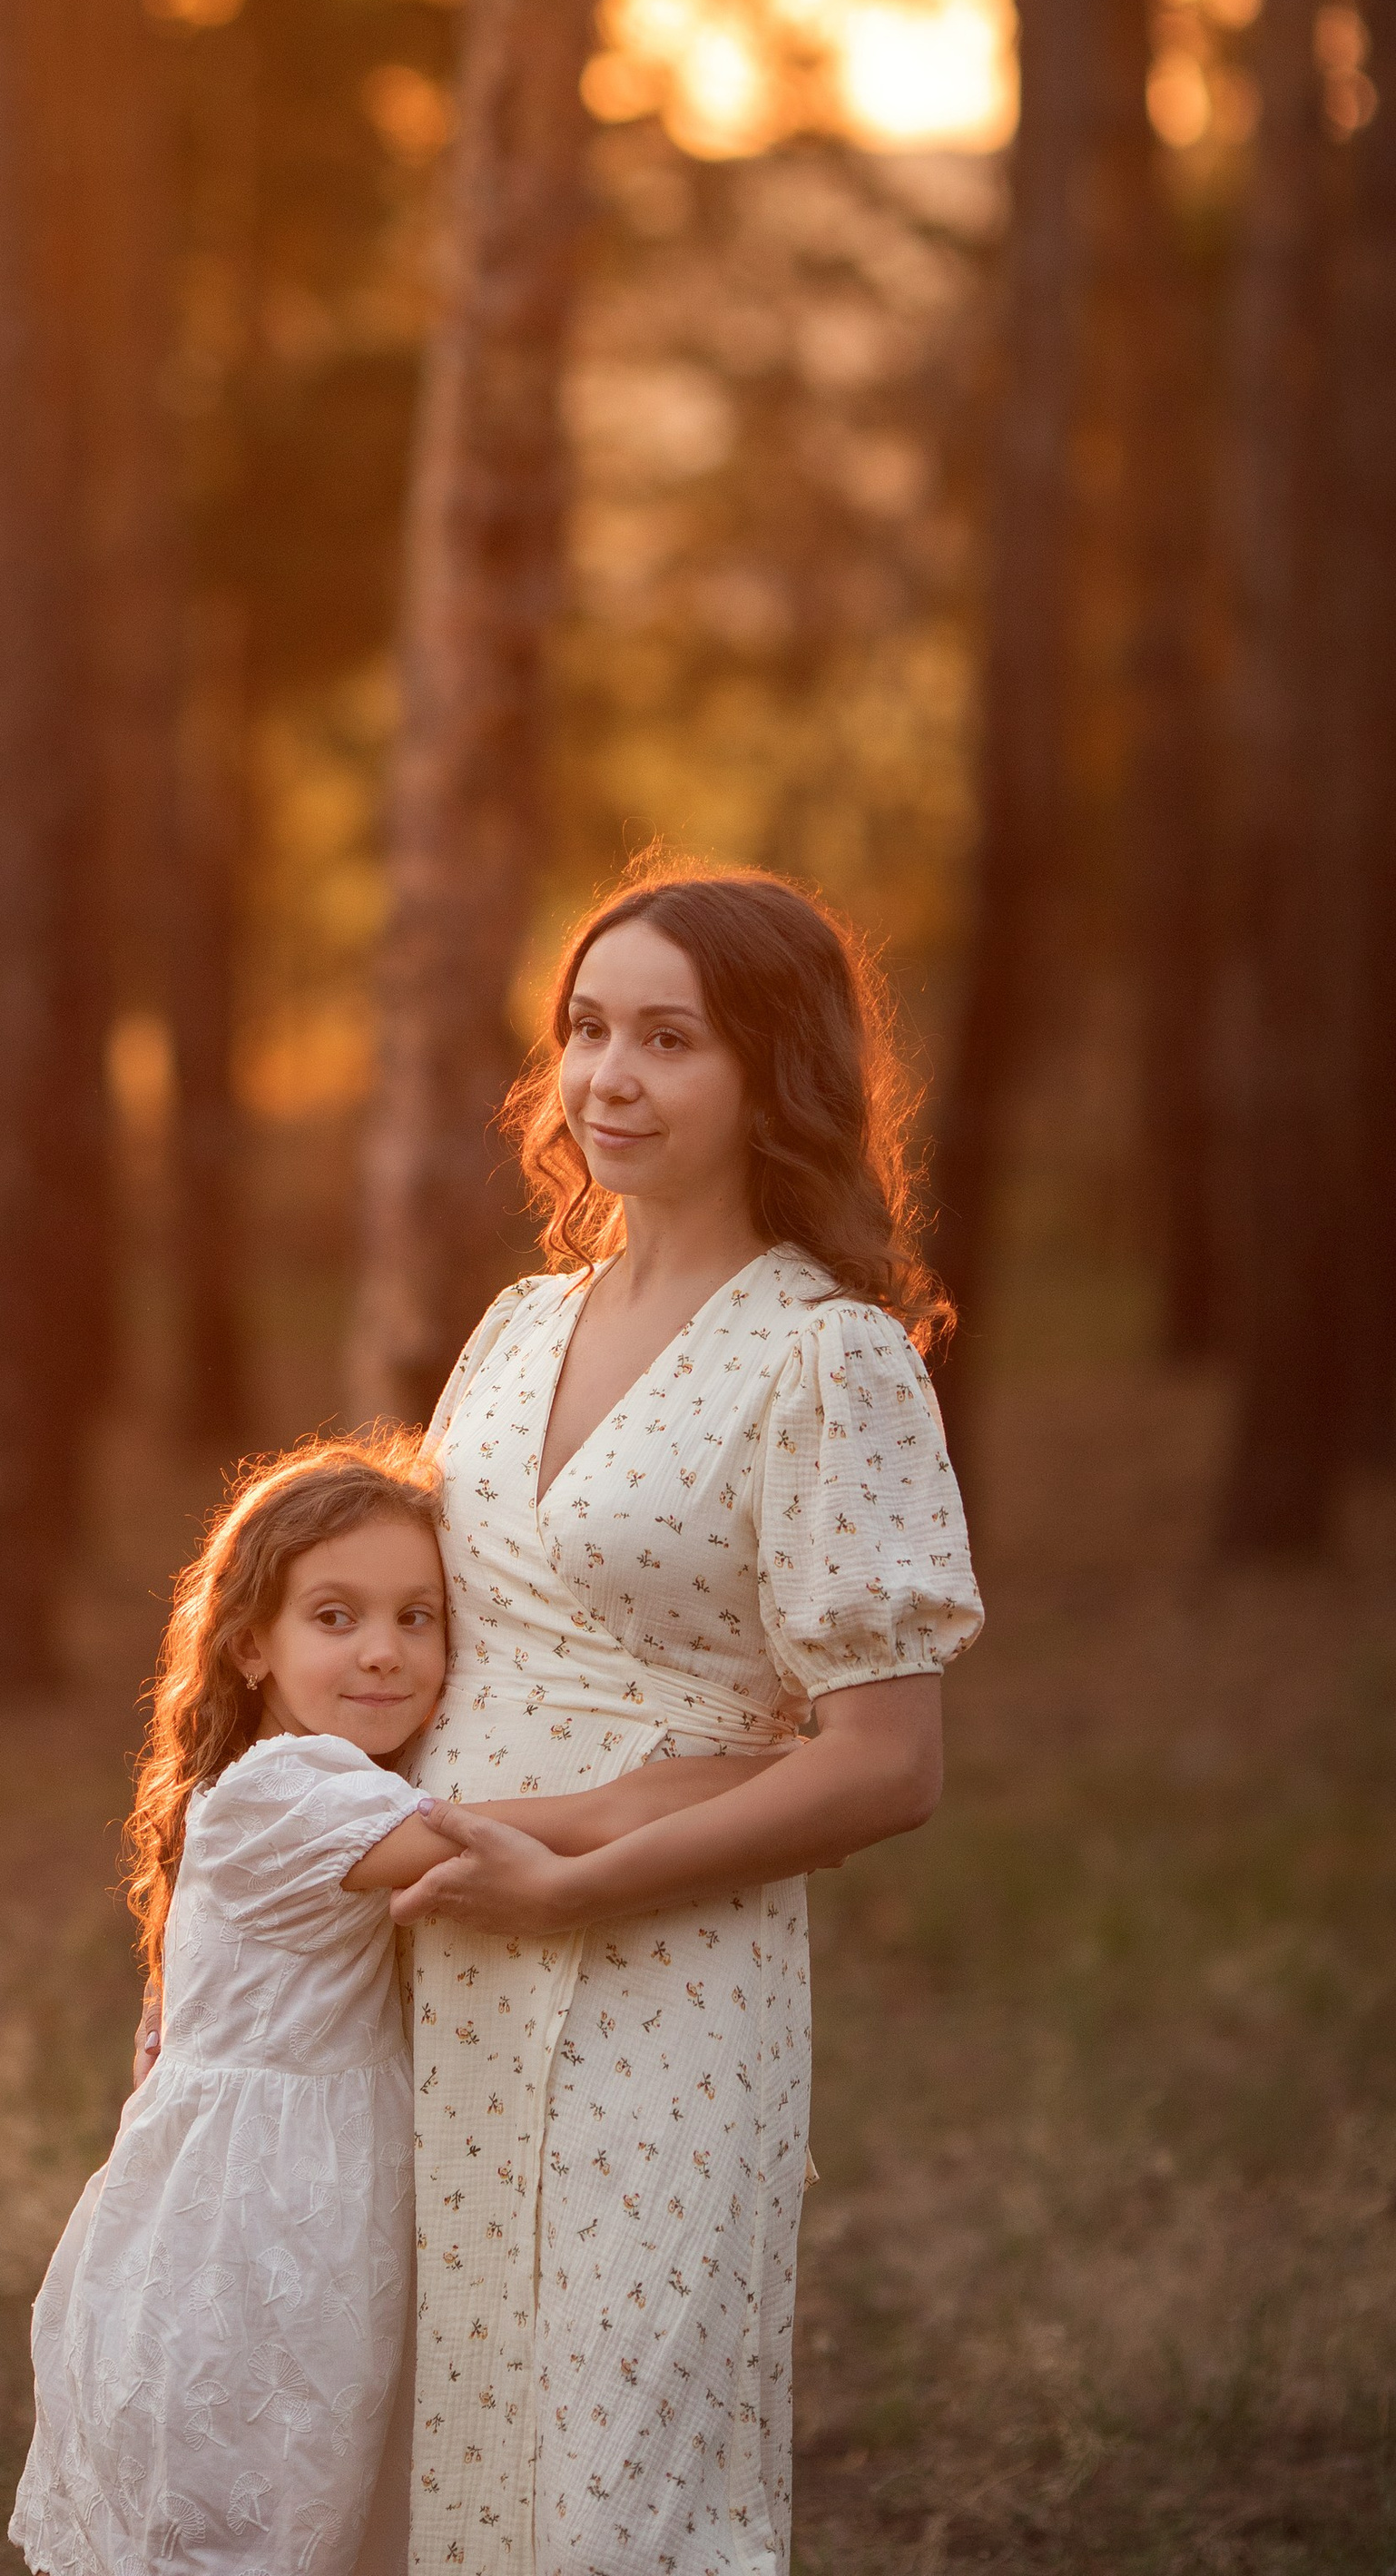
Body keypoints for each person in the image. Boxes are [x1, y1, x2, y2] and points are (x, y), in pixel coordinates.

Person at [390, 860, 984, 2576]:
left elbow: (890, 1760)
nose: (611, 1079)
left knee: (620, 2473)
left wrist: (576, 1880)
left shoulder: (829, 1361)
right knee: (445, 2441)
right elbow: (414, 1653)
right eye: (587, 1031)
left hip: (662, 1972)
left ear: (773, 1074)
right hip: (445, 1955)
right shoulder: (516, 1329)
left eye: (672, 1040)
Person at [9, 1440, 781, 2576]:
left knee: (329, 2500)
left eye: (417, 1617)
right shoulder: (279, 1794)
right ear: (246, 1646)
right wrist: (767, 1776)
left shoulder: (319, 1780)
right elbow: (559, 1824)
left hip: (310, 2197)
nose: (384, 1652)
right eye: (335, 1617)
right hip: (251, 2226)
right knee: (253, 2513)